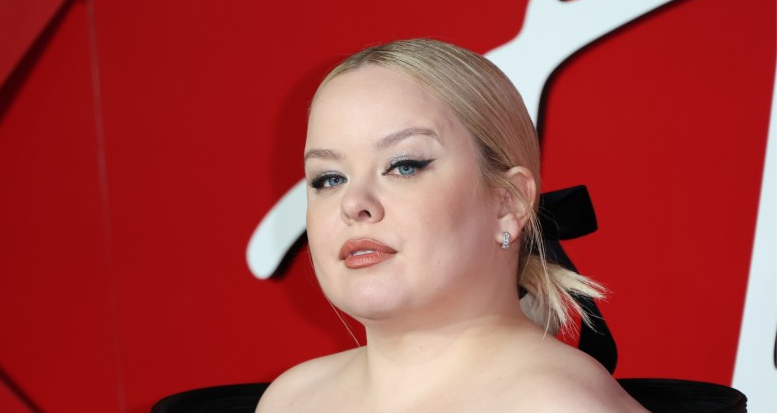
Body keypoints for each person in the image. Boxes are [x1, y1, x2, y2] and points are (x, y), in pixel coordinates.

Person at [257, 38, 646, 412]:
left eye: (404, 165)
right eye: (329, 179)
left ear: (506, 203)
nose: (354, 204)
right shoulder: (291, 400)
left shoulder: (561, 406)